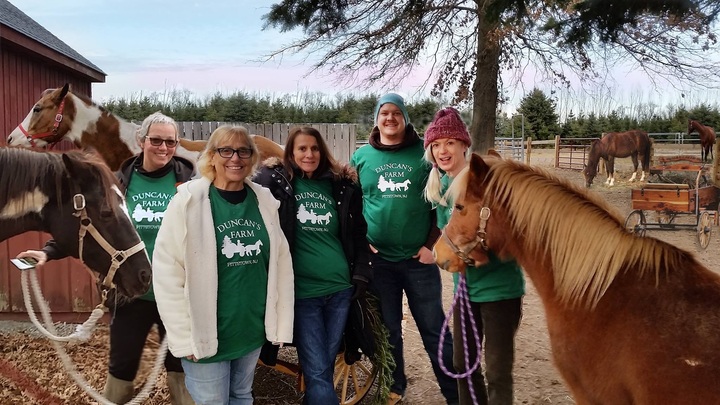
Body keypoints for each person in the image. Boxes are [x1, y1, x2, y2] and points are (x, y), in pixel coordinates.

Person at [16, 111, 196, 404]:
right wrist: (47, 252)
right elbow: (91, 225)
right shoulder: (118, 180)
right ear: (141, 140)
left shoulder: (190, 184)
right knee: (122, 367)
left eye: (170, 142)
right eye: (156, 140)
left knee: (181, 366)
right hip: (129, 295)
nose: (163, 148)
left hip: (178, 294)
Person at [152, 125, 294, 405]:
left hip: (249, 330)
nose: (235, 158)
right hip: (205, 333)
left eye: (243, 151)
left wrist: (278, 321)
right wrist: (182, 338)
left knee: (241, 396)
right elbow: (167, 274)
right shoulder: (188, 202)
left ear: (252, 158)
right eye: (226, 150)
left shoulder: (264, 201)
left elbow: (280, 263)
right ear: (211, 157)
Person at [349, 93, 459, 405]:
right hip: (378, 262)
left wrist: (431, 245)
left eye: (397, 113)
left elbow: (442, 200)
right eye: (384, 113)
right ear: (377, 119)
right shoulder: (362, 158)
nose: (390, 118)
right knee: (388, 331)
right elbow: (350, 205)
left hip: (418, 261)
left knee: (434, 330)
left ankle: (455, 393)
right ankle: (394, 386)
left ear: (405, 118)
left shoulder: (424, 155)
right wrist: (361, 240)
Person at [254, 126, 373, 404]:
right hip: (303, 292)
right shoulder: (277, 184)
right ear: (291, 153)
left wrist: (361, 273)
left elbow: (358, 232)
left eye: (315, 148)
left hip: (340, 289)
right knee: (319, 372)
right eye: (302, 149)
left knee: (323, 367)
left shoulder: (341, 186)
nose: (309, 154)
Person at [423, 107, 525, 405]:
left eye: (449, 143)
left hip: (499, 291)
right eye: (436, 145)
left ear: (464, 145)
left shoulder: (484, 182)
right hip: (465, 291)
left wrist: (482, 254)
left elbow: (509, 235)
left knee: (497, 371)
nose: (443, 151)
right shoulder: (440, 186)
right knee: (462, 365)